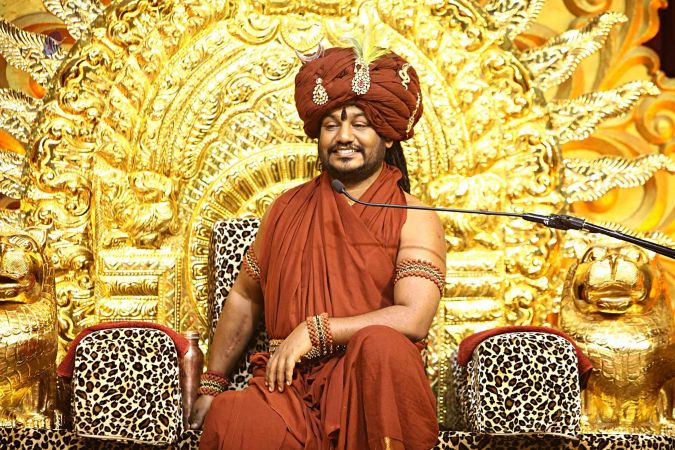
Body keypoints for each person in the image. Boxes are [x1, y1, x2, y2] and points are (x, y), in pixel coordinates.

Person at [190, 41, 446, 450]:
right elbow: (245, 296)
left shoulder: (414, 215)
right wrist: (212, 384)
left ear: (387, 136)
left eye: (360, 124)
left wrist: (316, 331)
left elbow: (414, 317)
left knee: (382, 346)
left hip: (368, 384)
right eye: (331, 125)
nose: (344, 137)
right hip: (287, 383)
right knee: (231, 416)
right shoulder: (286, 208)